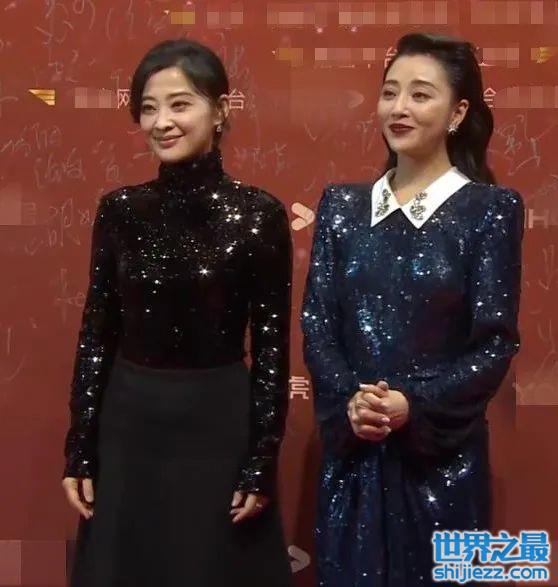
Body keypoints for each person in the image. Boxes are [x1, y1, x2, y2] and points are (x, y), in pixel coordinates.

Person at [61, 38, 293, 587]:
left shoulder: (259, 215)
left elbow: (272, 349)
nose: (161, 122)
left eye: (179, 104)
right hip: (129, 423)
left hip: (218, 423)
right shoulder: (120, 211)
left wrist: (261, 457)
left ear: (221, 110)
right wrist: (81, 446)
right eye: (148, 108)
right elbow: (97, 332)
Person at [302, 33, 524, 587]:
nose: (399, 108)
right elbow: (318, 324)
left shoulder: (490, 211)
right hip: (354, 461)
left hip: (442, 468)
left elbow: (494, 343)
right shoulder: (342, 207)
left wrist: (415, 405)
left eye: (420, 94)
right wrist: (352, 402)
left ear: (458, 112)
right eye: (389, 92)